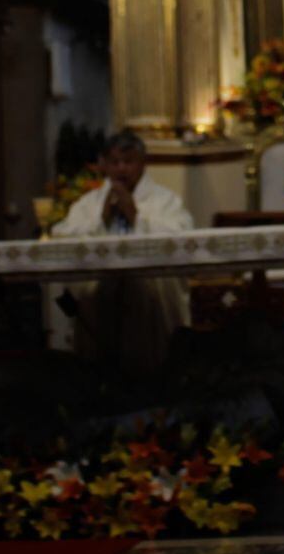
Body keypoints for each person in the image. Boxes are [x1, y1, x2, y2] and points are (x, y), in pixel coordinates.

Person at [46, 131, 195, 374]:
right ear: (104, 164)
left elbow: (181, 237)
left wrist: (136, 216)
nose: (121, 169)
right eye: (114, 162)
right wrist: (100, 220)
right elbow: (62, 237)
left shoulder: (165, 201)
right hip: (100, 297)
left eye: (128, 161)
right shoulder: (90, 203)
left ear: (142, 163)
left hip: (149, 297)